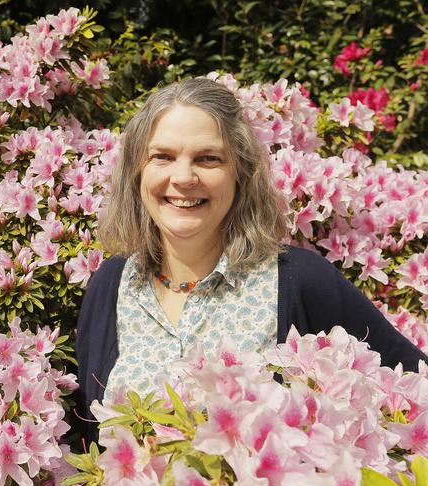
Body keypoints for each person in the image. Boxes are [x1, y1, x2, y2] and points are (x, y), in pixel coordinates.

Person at [75, 77, 427, 441]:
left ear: (240, 173)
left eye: (208, 159)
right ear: (137, 171)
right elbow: (88, 439)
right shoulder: (112, 284)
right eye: (162, 157)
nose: (182, 177)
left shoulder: (298, 281)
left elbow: (416, 387)